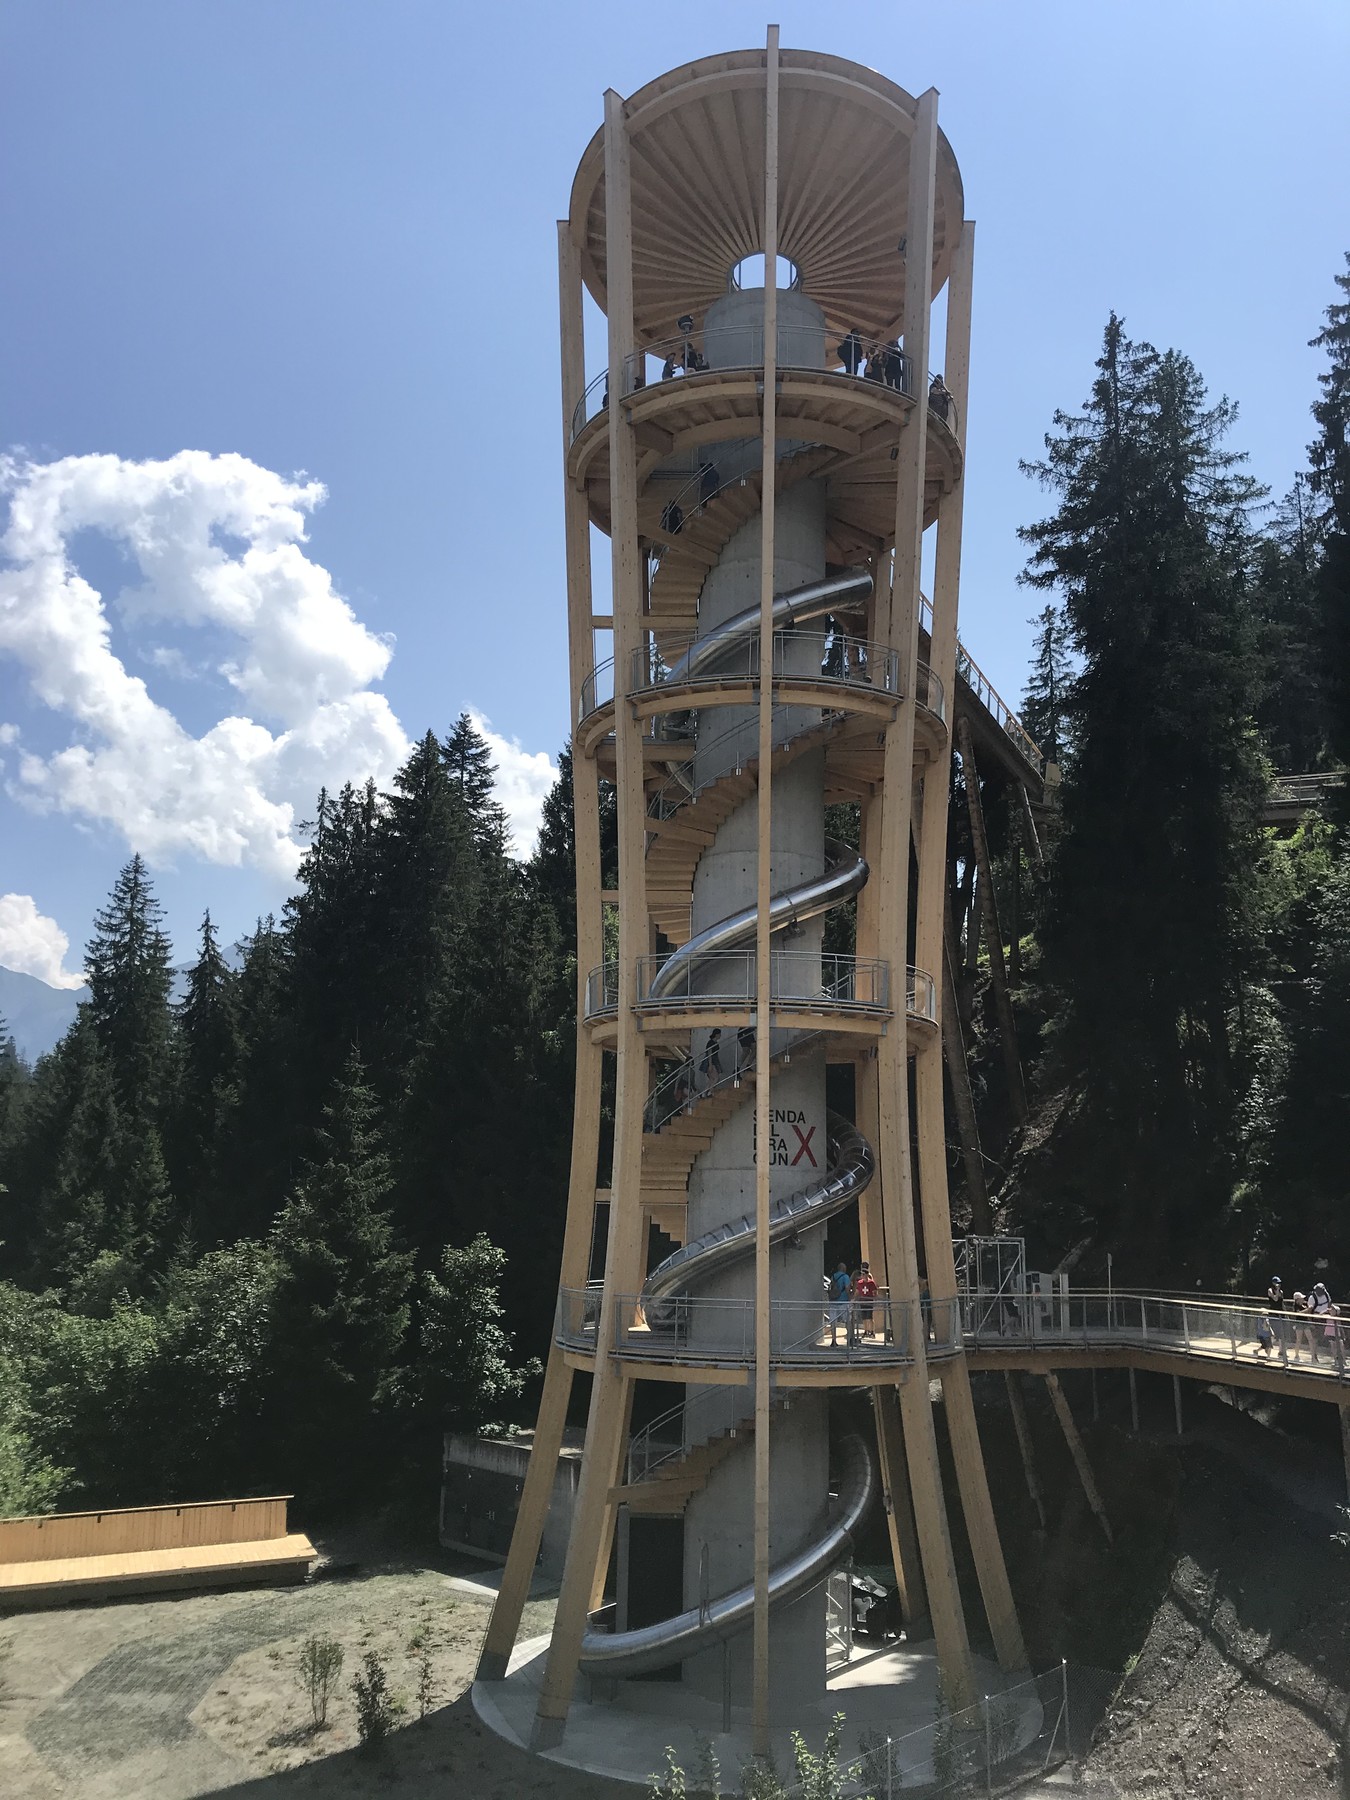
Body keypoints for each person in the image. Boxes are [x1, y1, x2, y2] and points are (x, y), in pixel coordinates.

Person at [827, 1263, 853, 1346]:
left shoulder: (833, 1276)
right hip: (843, 1302)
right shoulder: (845, 1277)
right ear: (843, 1269)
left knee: (833, 1322)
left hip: (833, 1302)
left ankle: (833, 1340)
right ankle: (850, 1339)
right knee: (848, 1321)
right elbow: (847, 1289)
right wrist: (850, 1298)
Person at [854, 1262, 878, 1339]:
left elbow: (875, 1292)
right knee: (864, 1317)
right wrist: (854, 1299)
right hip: (862, 1301)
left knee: (869, 1317)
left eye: (864, 1274)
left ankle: (872, 1331)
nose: (862, 1276)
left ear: (867, 1275)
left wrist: (874, 1299)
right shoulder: (859, 1283)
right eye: (862, 1274)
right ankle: (866, 1331)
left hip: (869, 1302)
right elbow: (857, 1292)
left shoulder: (871, 1282)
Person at [1267, 1275, 1287, 1351]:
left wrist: (1285, 1312)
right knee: (1275, 1333)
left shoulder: (1281, 1292)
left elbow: (1281, 1302)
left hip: (1281, 1313)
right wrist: (1277, 1291)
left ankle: (1281, 1350)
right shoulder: (1270, 1290)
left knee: (1282, 1332)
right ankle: (1267, 1346)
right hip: (1273, 1313)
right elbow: (1275, 1299)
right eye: (1277, 1283)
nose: (1278, 1285)